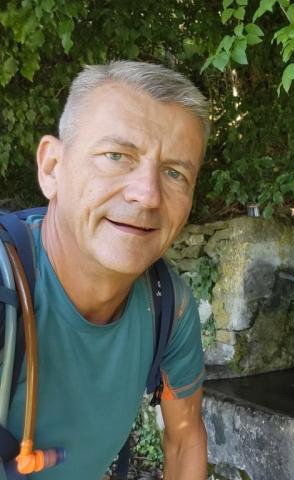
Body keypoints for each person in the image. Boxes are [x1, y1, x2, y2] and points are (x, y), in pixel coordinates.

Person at [3, 61, 209, 479]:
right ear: (52, 167)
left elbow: (185, 438)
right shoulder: (6, 287)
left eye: (174, 173)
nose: (147, 195)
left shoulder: (169, 306)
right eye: (116, 156)